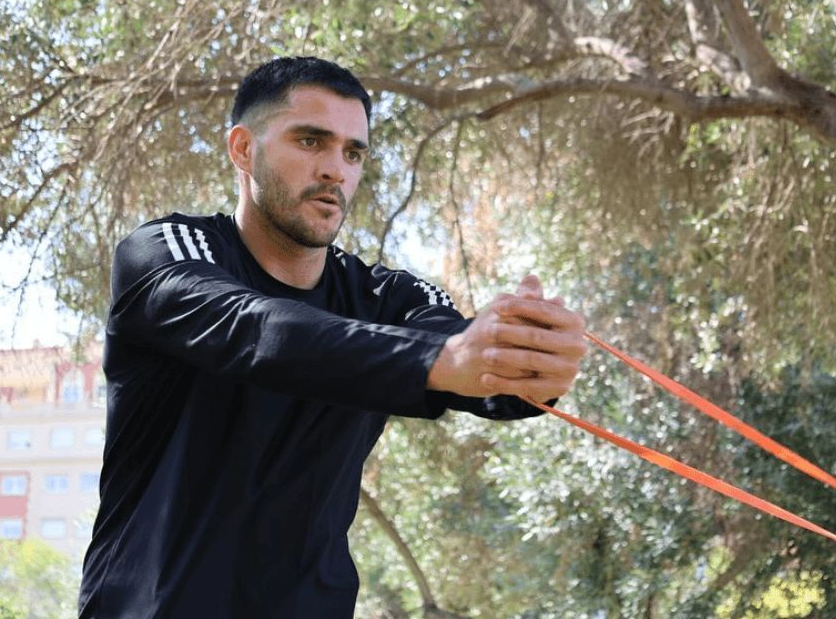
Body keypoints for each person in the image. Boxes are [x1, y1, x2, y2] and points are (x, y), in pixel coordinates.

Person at [78, 56, 587, 618]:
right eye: (311, 141)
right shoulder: (169, 251)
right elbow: (255, 327)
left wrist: (528, 364)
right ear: (243, 150)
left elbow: (471, 365)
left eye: (352, 152)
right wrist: (444, 359)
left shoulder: (391, 298)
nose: (335, 170)